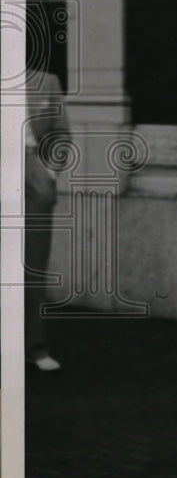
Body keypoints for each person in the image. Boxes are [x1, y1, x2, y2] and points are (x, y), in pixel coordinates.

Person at [24, 65, 70, 371]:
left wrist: (49, 172)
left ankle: (33, 347)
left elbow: (61, 134)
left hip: (32, 169)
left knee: (32, 264)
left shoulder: (46, 81)